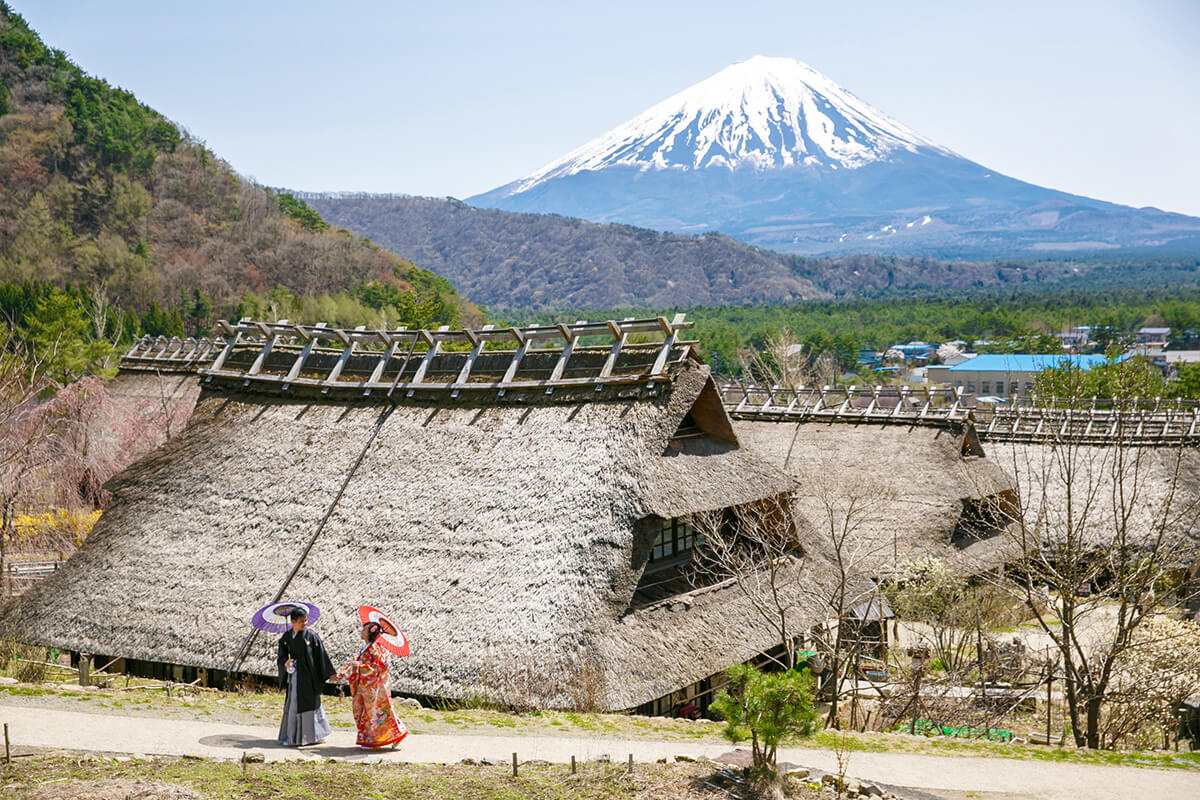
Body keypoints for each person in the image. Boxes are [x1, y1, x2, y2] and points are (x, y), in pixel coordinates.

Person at [336, 621, 408, 749]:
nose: (362, 631)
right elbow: (357, 664)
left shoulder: (374, 648)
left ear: (370, 633)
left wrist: (360, 668)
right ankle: (391, 735)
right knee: (368, 712)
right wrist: (344, 673)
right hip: (365, 686)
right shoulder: (367, 647)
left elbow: (378, 667)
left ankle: (376, 740)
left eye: (365, 630)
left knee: (375, 712)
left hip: (373, 687)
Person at [277, 606, 336, 746]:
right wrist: (286, 662)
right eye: (301, 621)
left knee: (310, 704)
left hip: (309, 677)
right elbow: (281, 656)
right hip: (295, 676)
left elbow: (321, 655)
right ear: (292, 621)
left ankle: (314, 736)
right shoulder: (286, 638)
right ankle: (293, 736)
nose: (305, 623)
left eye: (306, 620)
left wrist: (330, 673)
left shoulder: (311, 636)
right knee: (294, 703)